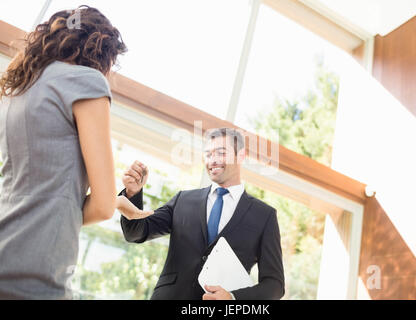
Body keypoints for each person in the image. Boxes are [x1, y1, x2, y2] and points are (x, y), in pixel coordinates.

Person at [0, 6, 127, 299]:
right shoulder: (86, 81)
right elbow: (103, 205)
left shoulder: (19, 90)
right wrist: (111, 201)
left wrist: (116, 202)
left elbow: (37, 186)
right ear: (101, 50)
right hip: (36, 269)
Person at [116, 128, 285, 300]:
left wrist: (233, 298)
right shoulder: (183, 200)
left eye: (221, 153)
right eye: (208, 154)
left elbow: (275, 285)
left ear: (240, 156)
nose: (213, 160)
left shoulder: (264, 216)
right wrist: (132, 194)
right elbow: (136, 233)